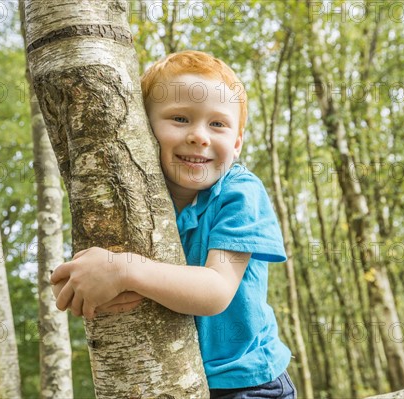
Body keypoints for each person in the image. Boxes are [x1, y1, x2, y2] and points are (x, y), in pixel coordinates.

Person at [51, 50, 296, 398]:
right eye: (180, 119)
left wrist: (124, 271)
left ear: (237, 142)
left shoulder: (241, 194)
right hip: (171, 378)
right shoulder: (134, 200)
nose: (200, 136)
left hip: (247, 381)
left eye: (218, 124)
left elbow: (215, 290)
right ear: (144, 131)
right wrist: (78, 284)